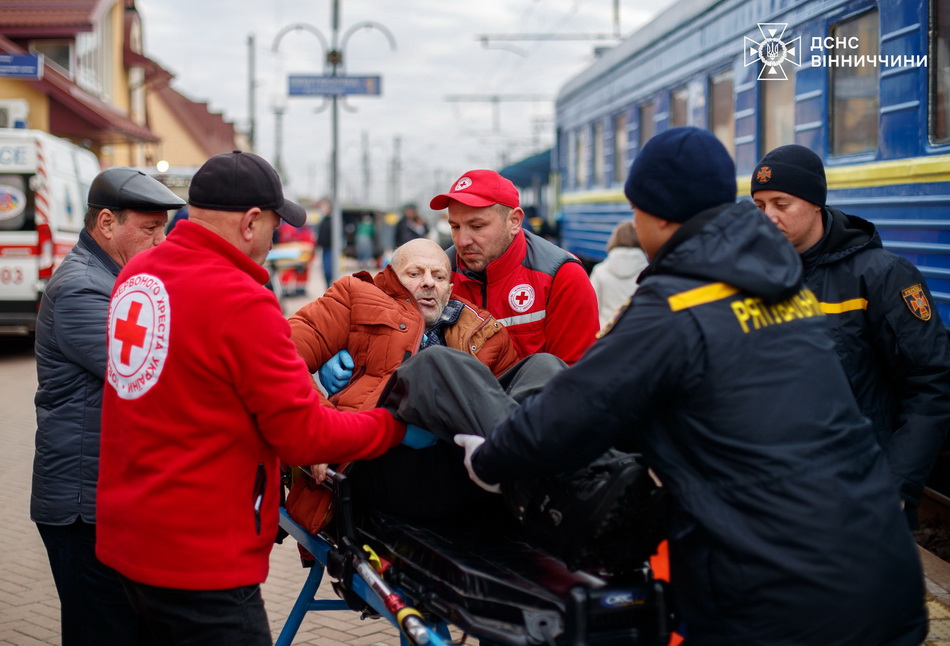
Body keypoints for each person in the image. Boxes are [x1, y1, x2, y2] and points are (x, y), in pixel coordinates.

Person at [393, 128, 926, 645]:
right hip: (883, 574)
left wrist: (492, 457)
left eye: (635, 209)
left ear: (661, 216)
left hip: (777, 598)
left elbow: (574, 409)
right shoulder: (784, 289)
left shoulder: (674, 306)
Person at [95, 151, 407, 645]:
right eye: (275, 226)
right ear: (250, 222)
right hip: (201, 556)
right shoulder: (240, 300)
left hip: (128, 534)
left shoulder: (140, 274)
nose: (276, 238)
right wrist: (395, 424)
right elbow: (306, 436)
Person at [750, 144, 950, 528]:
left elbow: (930, 384)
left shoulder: (882, 276)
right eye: (759, 206)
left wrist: (896, 486)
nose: (768, 217)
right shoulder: (758, 276)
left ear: (815, 203)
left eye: (781, 204)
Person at [31, 167, 185, 646]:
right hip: (82, 506)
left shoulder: (121, 279)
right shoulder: (82, 288)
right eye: (150, 228)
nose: (161, 241)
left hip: (108, 500)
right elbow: (155, 372)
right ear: (106, 223)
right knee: (101, 632)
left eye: (163, 228)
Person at [287, 237, 519, 520]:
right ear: (393, 278)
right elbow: (284, 353)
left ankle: (538, 471)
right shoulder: (355, 296)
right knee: (435, 362)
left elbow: (506, 400)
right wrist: (323, 429)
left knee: (542, 366)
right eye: (415, 273)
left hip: (463, 470)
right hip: (379, 462)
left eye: (438, 276)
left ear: (449, 289)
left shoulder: (485, 332)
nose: (428, 282)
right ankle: (521, 467)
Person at [430, 169, 599, 364]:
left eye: (477, 226)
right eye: (455, 227)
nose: (462, 241)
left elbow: (577, 372)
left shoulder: (562, 275)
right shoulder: (436, 276)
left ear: (514, 221)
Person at [589, 220, 649, 329]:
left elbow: (591, 306)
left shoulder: (600, 271)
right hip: (638, 331)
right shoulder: (648, 272)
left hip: (606, 331)